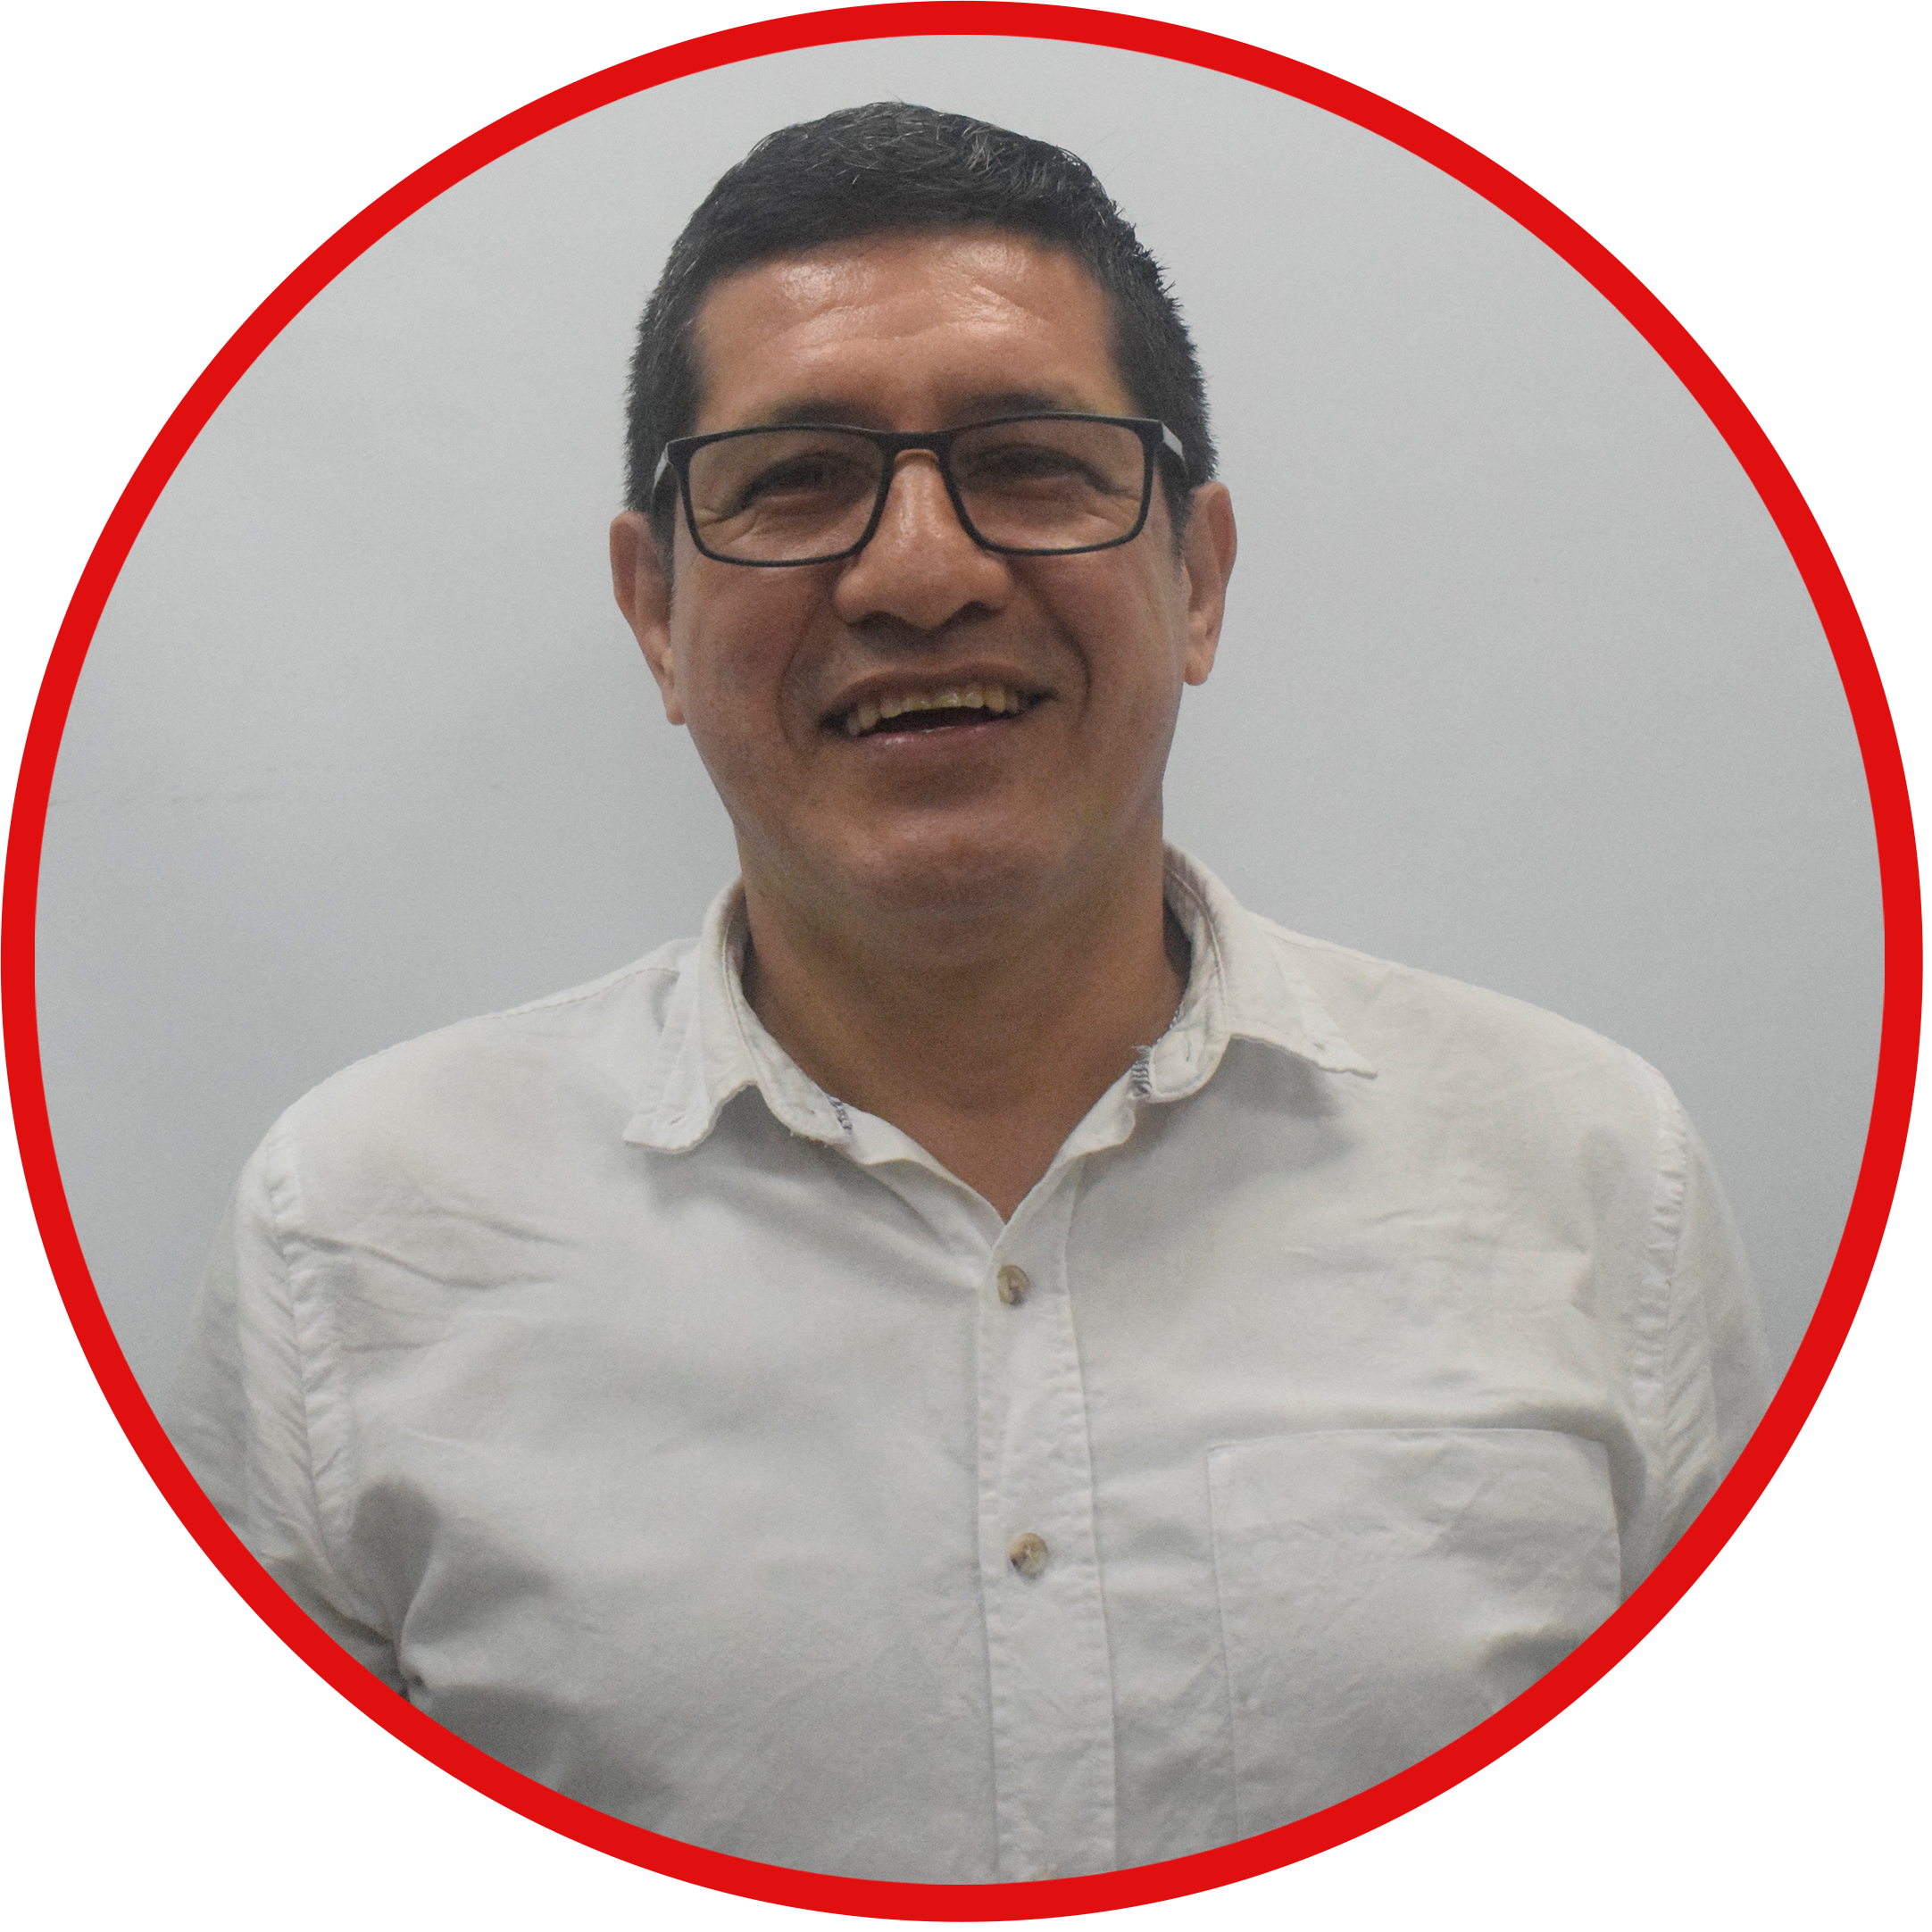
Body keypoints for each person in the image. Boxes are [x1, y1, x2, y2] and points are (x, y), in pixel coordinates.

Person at [122, 102, 1870, 1887]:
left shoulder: (1586, 1173)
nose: (920, 572)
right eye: (795, 481)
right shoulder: (356, 1234)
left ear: (1195, 575)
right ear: (654, 612)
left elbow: (1746, 1865)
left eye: (1030, 462)